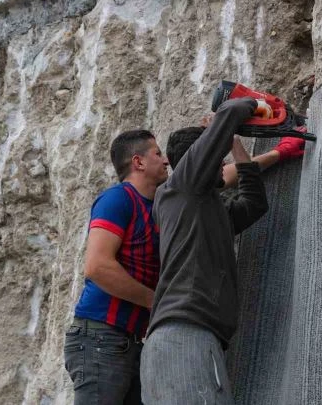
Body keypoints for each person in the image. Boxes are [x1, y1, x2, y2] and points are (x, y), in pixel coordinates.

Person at [141, 97, 287, 404]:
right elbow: (232, 111)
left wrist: (236, 144)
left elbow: (253, 205)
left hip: (190, 340)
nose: (224, 165)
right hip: (182, 339)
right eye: (218, 159)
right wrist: (256, 104)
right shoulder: (179, 189)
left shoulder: (201, 209)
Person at [64, 130, 168, 405]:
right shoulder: (117, 199)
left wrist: (278, 153)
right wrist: (155, 301)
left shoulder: (157, 203)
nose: (166, 160)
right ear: (139, 162)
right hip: (101, 338)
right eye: (158, 153)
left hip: (127, 344)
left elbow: (216, 178)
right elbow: (97, 267)